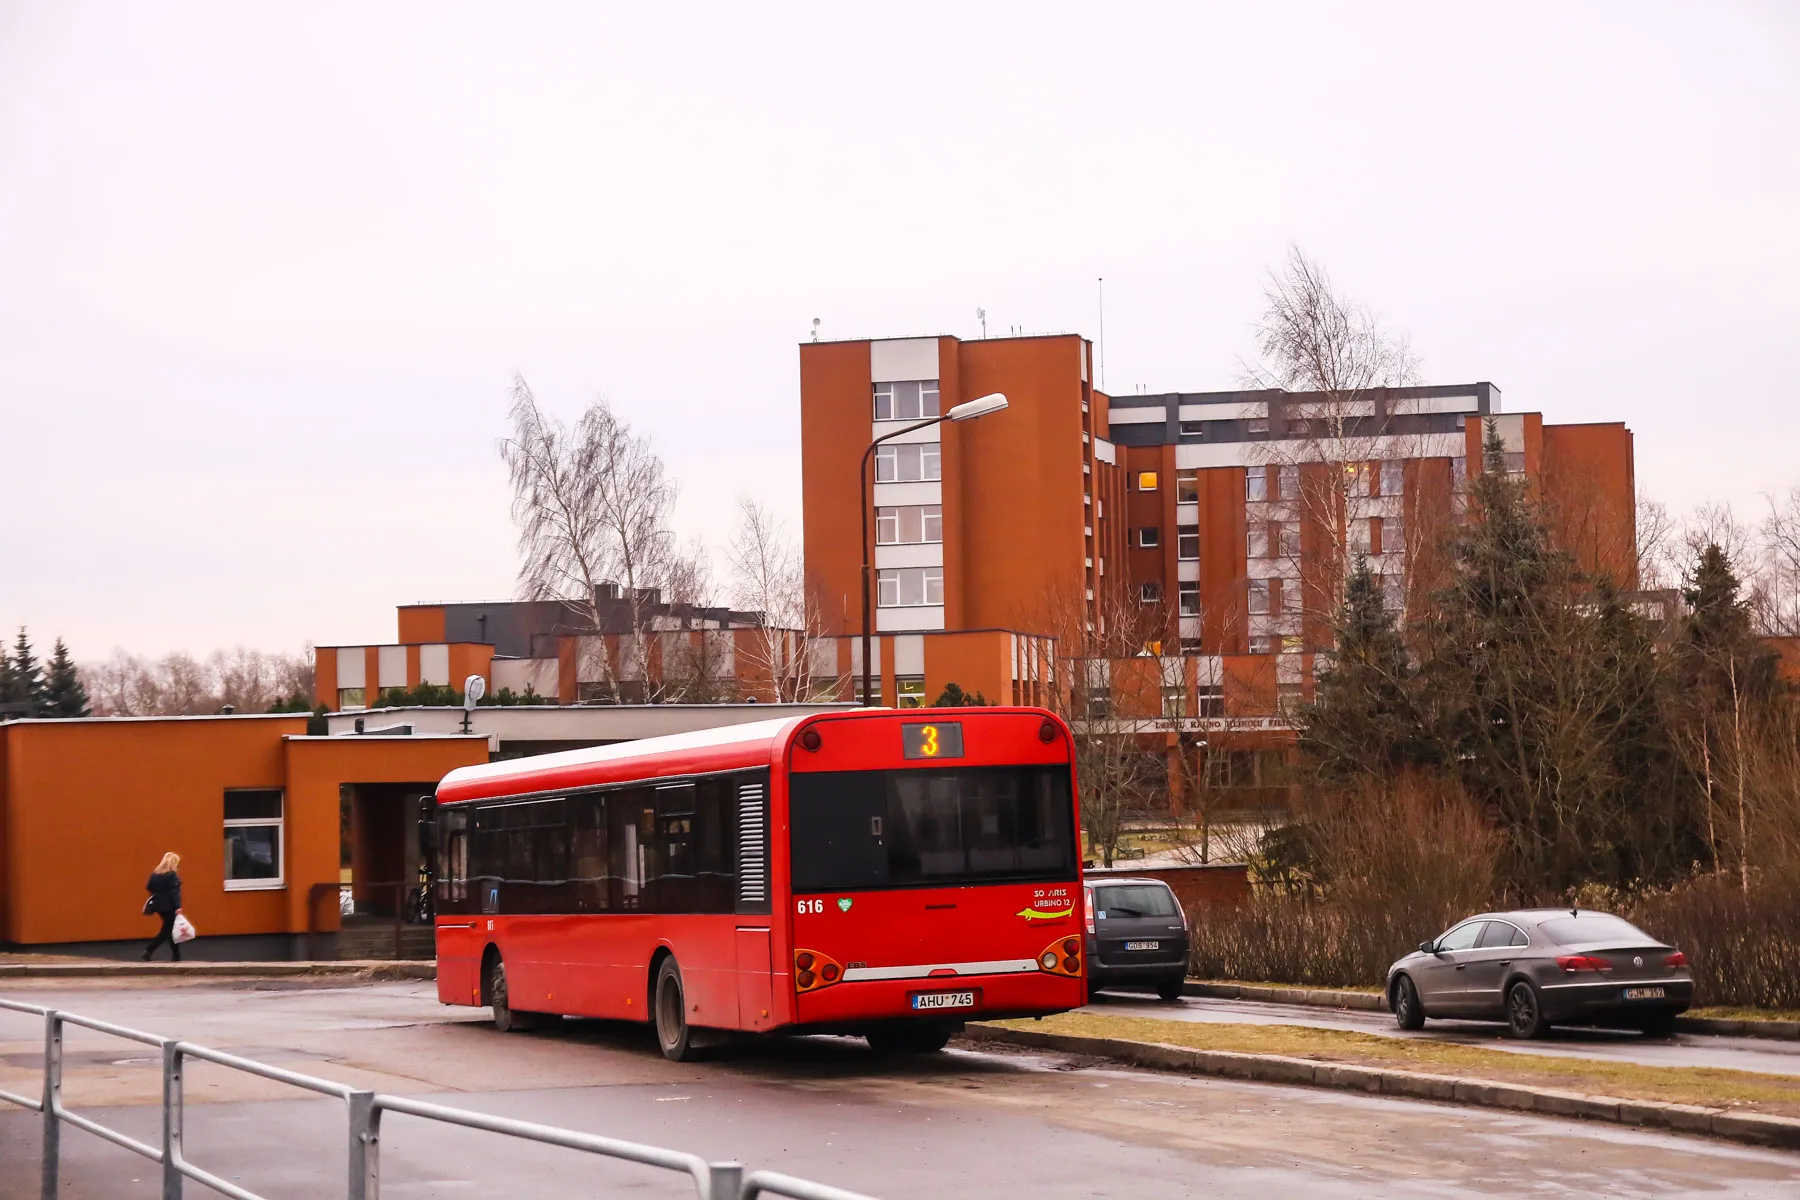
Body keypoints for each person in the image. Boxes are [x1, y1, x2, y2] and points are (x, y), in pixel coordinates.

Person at [143, 852, 184, 962]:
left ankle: (176, 956)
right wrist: (178, 907)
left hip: (159, 905)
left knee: (170, 929)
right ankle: (149, 950)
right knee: (167, 931)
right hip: (169, 906)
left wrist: (159, 893)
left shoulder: (155, 874)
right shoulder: (171, 875)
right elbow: (174, 892)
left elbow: (149, 887)